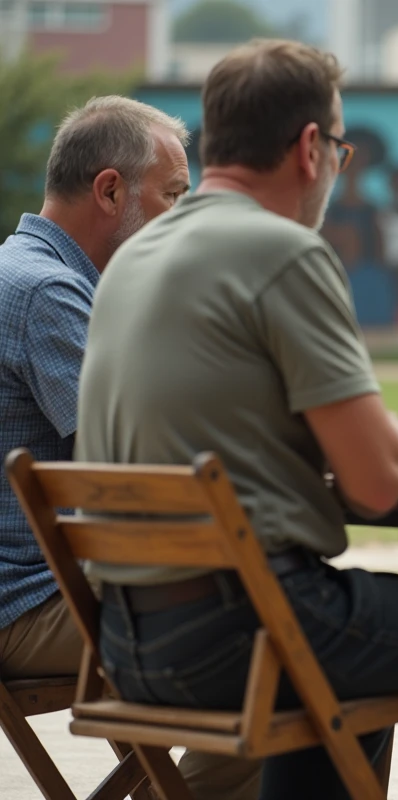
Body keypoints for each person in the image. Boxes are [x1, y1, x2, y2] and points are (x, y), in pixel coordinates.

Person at [74, 40, 398, 800]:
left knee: (359, 672)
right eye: (339, 148)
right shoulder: (285, 253)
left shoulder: (131, 259)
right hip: (251, 633)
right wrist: (387, 428)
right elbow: (375, 481)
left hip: (127, 640)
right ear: (312, 148)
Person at [0, 95, 262, 799]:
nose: (183, 218)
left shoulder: (24, 274)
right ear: (110, 190)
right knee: (281, 650)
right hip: (29, 604)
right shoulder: (47, 294)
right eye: (174, 196)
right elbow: (139, 470)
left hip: (47, 587)